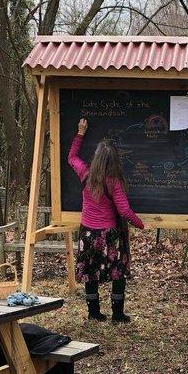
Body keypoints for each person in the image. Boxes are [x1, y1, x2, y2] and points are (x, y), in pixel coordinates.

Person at [68, 118, 144, 323]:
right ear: (114, 161)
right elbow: (124, 210)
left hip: (88, 233)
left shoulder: (85, 174)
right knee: (117, 272)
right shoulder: (114, 181)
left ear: (97, 159)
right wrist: (141, 224)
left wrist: (80, 133)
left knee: (90, 272)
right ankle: (117, 314)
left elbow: (72, 157)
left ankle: (94, 313)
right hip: (110, 235)